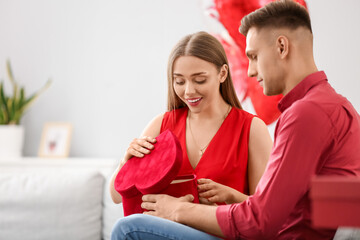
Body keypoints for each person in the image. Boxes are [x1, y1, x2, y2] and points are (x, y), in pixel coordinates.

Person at [110, 0, 360, 239]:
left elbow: (263, 221)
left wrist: (179, 210)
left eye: (253, 56)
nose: (250, 71)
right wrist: (234, 197)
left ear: (281, 47)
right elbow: (289, 208)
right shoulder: (337, 108)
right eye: (179, 81)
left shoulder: (304, 115)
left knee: (127, 229)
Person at [109, 32, 272, 217]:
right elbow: (116, 196)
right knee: (128, 226)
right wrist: (126, 162)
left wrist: (229, 198)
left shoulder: (251, 128)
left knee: (127, 228)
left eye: (199, 80)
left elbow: (266, 213)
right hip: (166, 233)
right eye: (179, 81)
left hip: (221, 233)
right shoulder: (161, 124)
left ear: (223, 73)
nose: (188, 91)